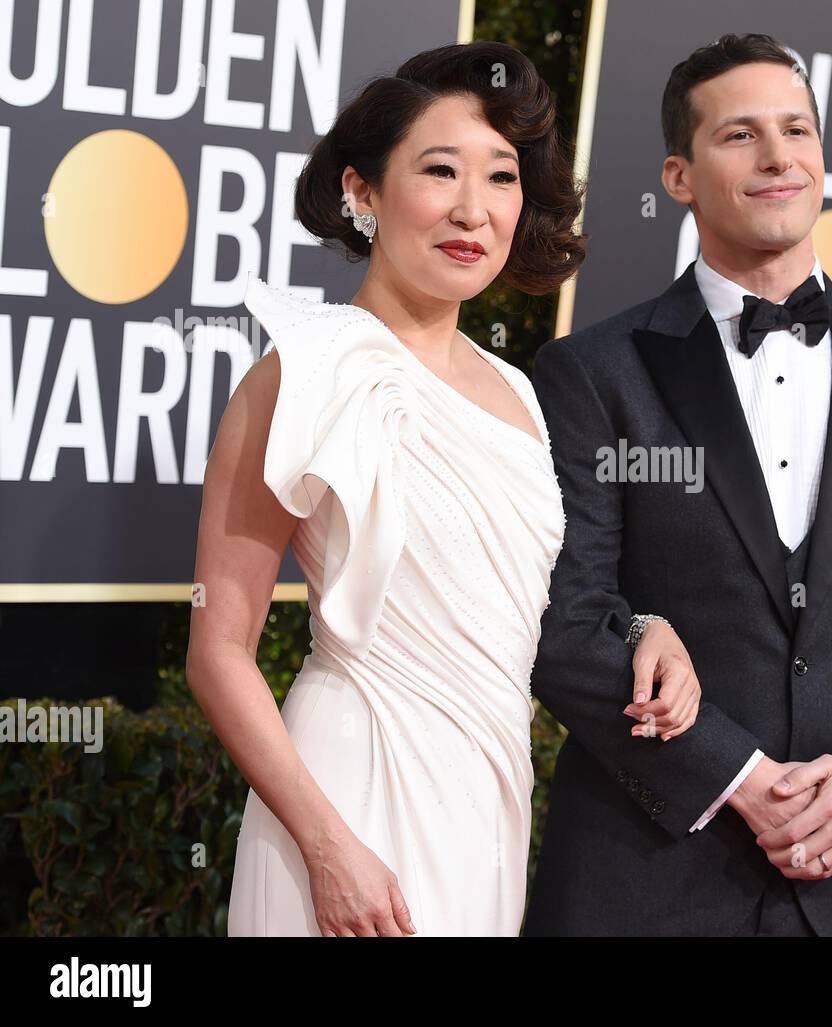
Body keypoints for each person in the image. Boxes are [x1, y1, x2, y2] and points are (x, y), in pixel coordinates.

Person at [523, 33, 832, 936]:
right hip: (645, 879)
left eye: (797, 130)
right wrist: (739, 776)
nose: (779, 155)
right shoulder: (593, 373)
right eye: (740, 135)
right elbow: (566, 617)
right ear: (679, 176)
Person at [186, 42, 586, 936]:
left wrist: (647, 631)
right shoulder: (304, 370)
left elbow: (521, 616)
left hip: (487, 802)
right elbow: (218, 652)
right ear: (363, 192)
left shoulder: (517, 391)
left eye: (502, 178)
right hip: (348, 797)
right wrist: (330, 847)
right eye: (439, 170)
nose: (473, 210)